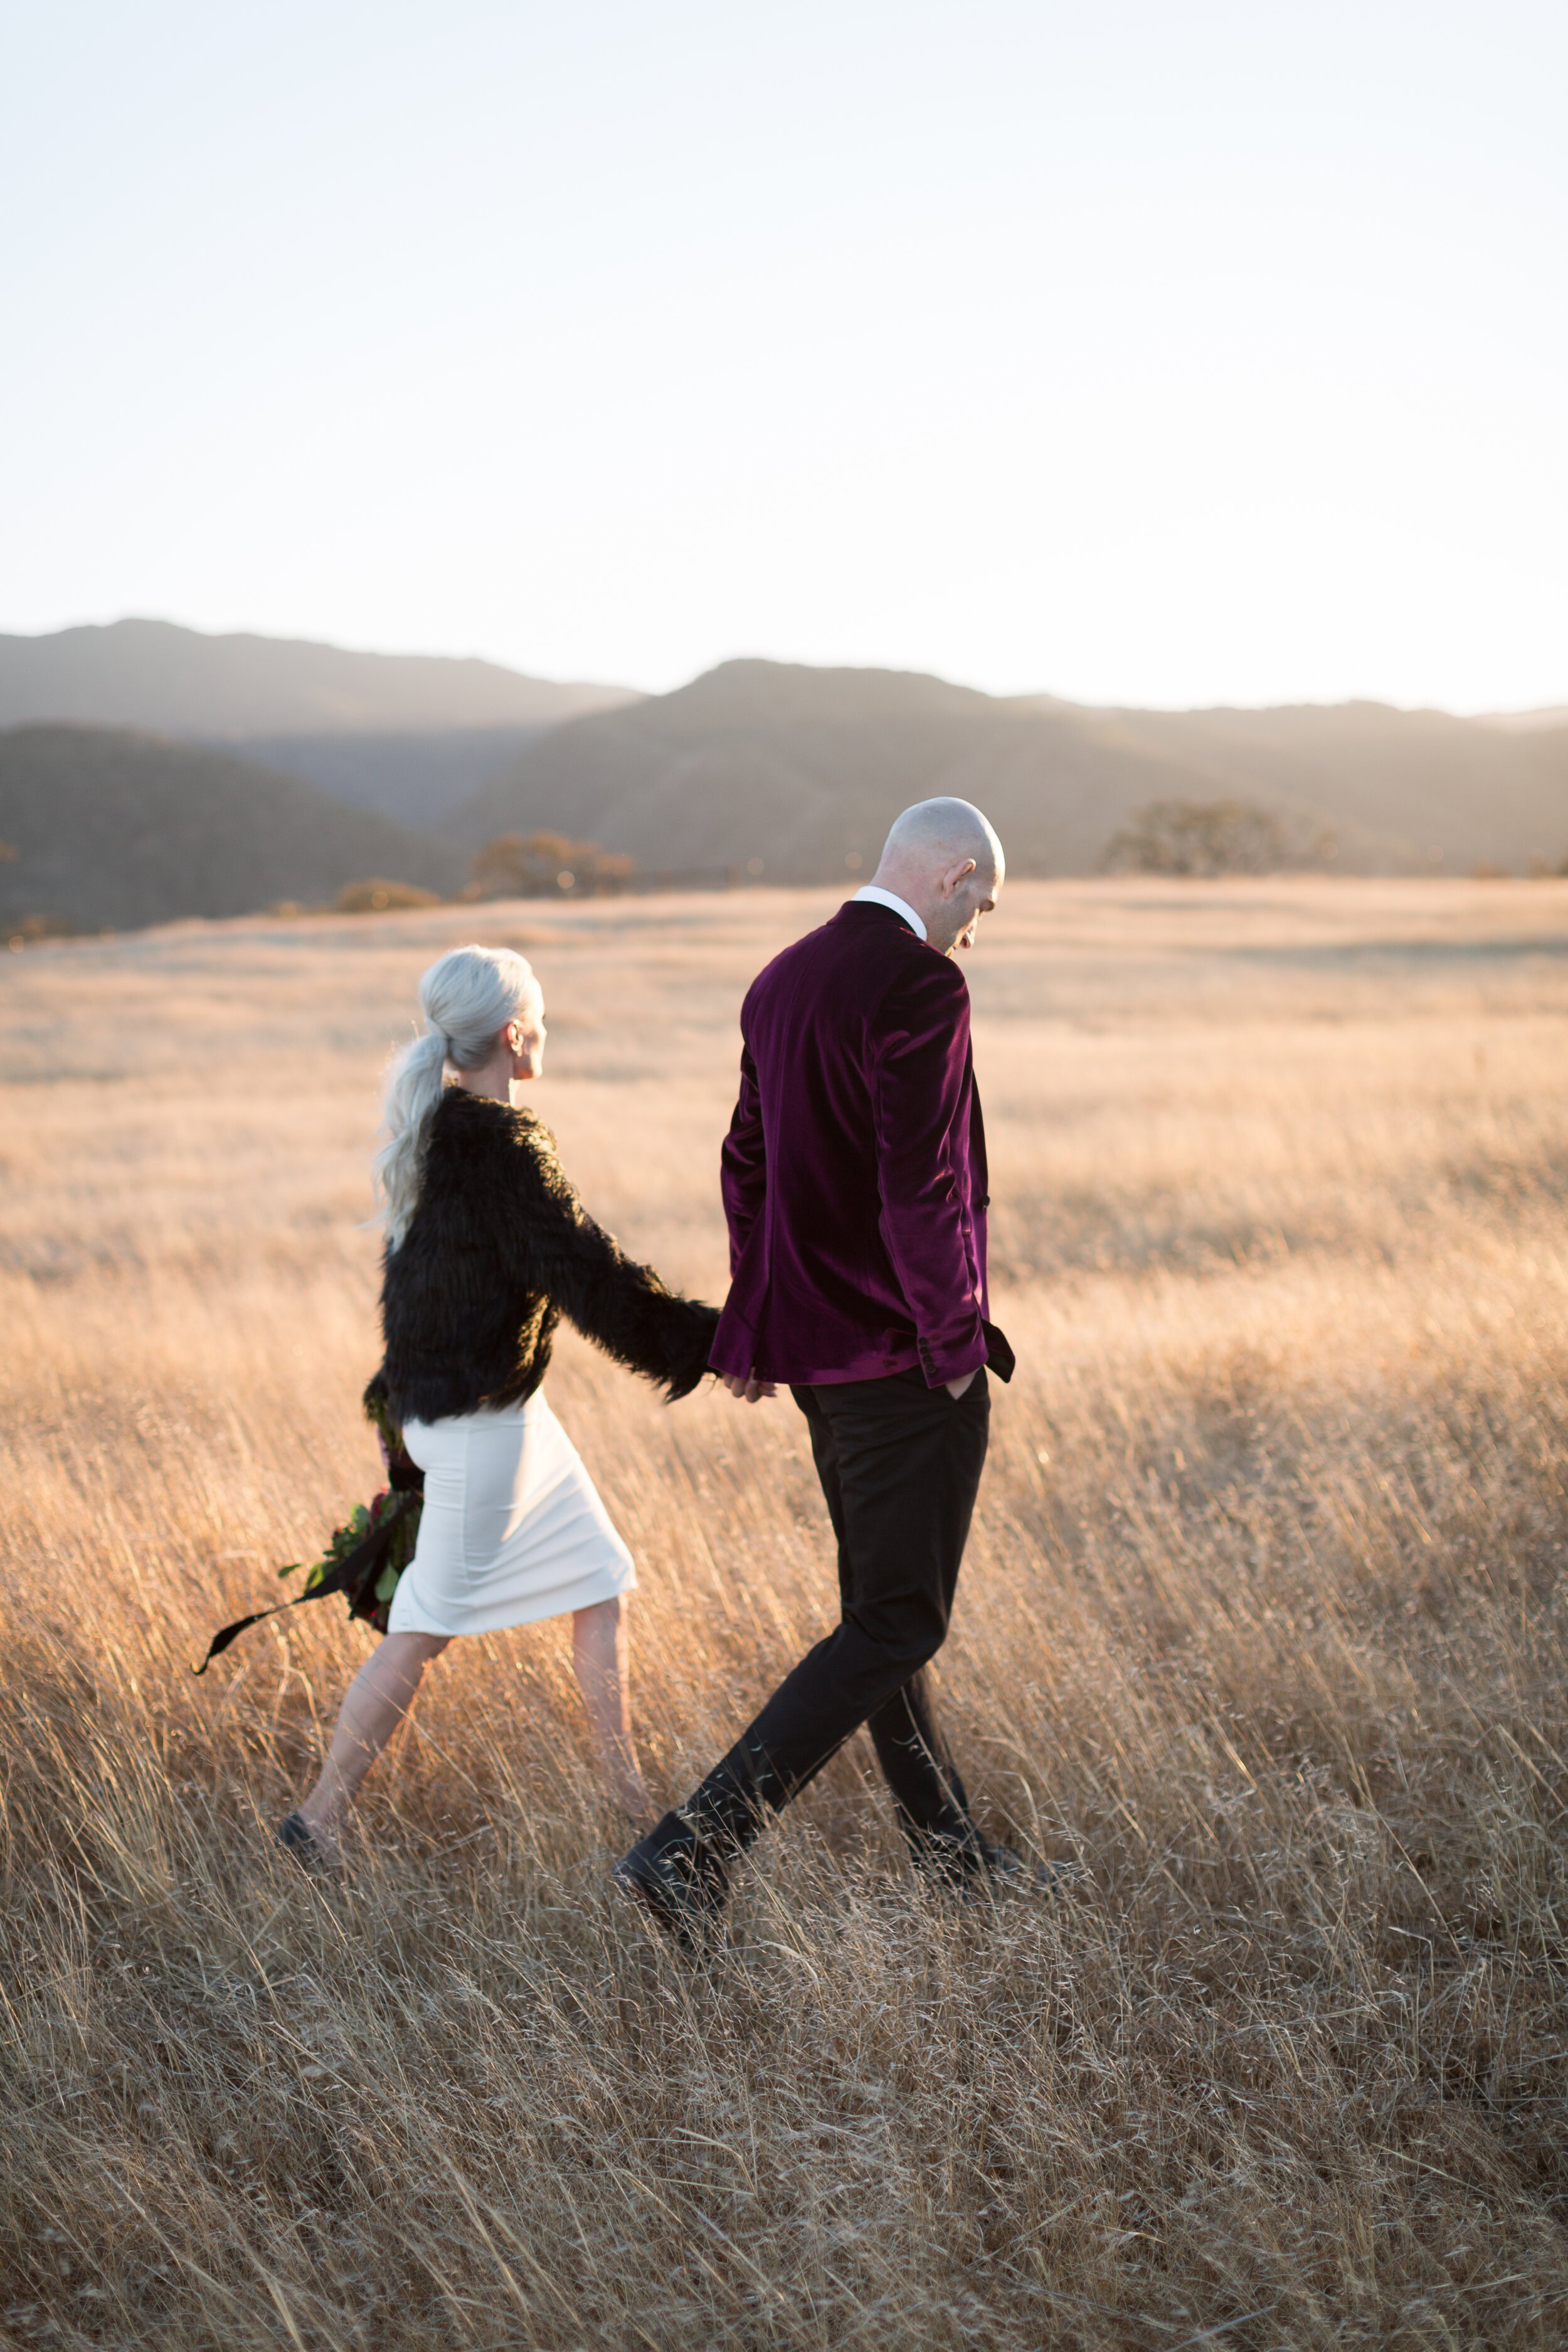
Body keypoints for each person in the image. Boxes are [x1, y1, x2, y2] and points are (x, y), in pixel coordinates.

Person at [615, 798, 1039, 1944]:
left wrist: (760, 1326)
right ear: (952, 876)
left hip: (824, 1365)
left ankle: (952, 1853)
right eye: (982, 906)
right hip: (906, 1363)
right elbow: (922, 1186)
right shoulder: (920, 985)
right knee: (899, 1621)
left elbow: (745, 1162)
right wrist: (954, 1347)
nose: (975, 933)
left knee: (880, 1614)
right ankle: (691, 1853)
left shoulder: (782, 977)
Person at [277, 944, 718, 1871]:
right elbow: (594, 1282)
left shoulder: (437, 1127)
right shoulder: (506, 1147)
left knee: (601, 1579)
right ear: (515, 1037)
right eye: (542, 1018)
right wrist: (723, 1344)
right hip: (481, 1427)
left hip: (482, 1412)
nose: (547, 1032)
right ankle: (317, 1822)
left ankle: (625, 1798)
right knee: (422, 1630)